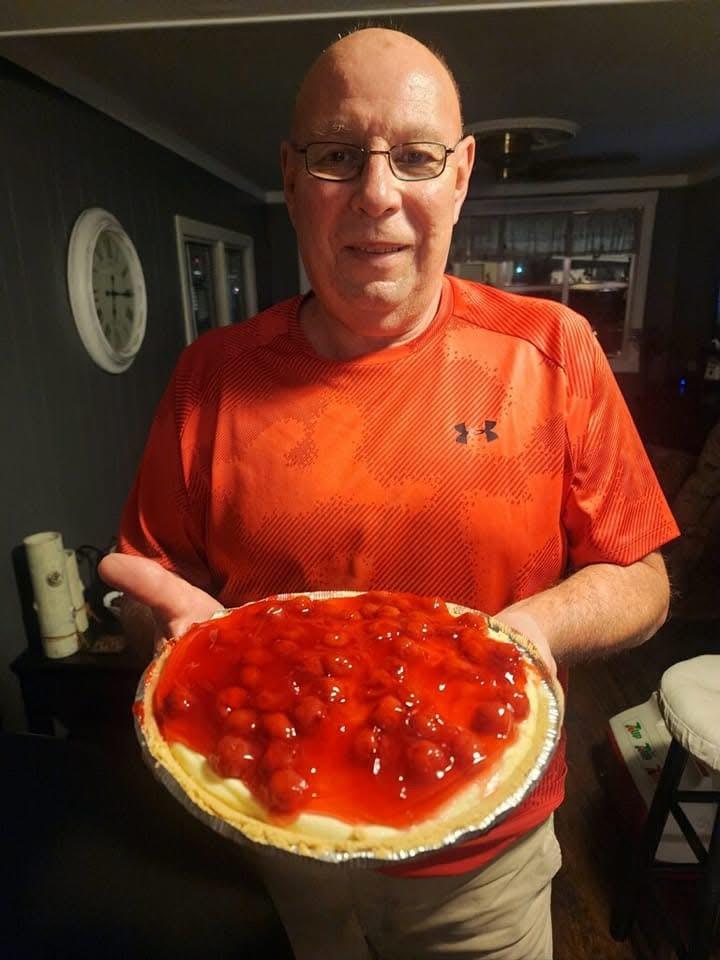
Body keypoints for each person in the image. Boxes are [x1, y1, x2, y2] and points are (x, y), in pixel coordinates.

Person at [100, 26, 678, 960]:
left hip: (485, 865)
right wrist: (179, 641)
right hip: (285, 853)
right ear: (291, 178)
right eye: (338, 156)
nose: (377, 195)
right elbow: (148, 576)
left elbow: (643, 577)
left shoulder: (554, 349)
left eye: (414, 157)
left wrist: (526, 634)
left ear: (460, 177)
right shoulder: (210, 375)